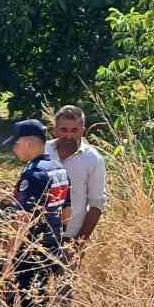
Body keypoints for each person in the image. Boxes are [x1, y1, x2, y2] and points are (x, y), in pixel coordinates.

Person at [1, 119, 72, 307]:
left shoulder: (32, 174)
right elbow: (67, 213)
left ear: (29, 144)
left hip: (30, 251)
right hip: (51, 247)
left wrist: (9, 258)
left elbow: (22, 220)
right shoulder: (59, 169)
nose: (14, 149)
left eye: (16, 144)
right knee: (40, 301)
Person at [44, 105, 107, 248]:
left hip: (70, 237)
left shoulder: (93, 159)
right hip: (37, 234)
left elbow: (96, 205)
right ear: (55, 130)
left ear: (82, 131)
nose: (68, 136)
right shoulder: (43, 150)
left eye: (74, 130)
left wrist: (78, 245)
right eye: (63, 130)